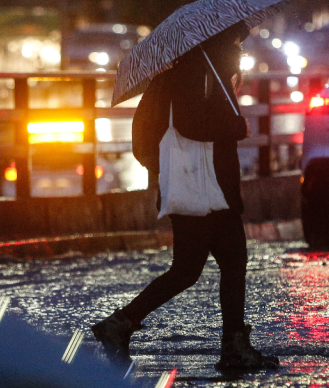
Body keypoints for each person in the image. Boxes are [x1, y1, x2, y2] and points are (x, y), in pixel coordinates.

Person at [91, 22, 279, 371]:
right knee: (195, 267)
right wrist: (237, 126)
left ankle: (233, 345)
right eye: (236, 41)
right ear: (221, 42)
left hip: (205, 185)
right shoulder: (199, 71)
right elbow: (192, 124)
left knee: (222, 263)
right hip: (202, 186)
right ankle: (120, 324)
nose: (240, 49)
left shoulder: (199, 69)